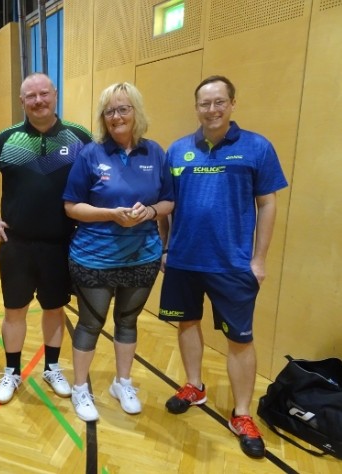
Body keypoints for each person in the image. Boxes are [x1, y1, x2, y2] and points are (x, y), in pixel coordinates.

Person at [158, 75, 288, 458]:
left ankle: (242, 414)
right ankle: (194, 386)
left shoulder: (257, 147)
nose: (212, 109)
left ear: (232, 104)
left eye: (219, 102)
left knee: (240, 340)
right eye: (205, 103)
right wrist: (165, 248)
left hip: (232, 265)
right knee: (187, 323)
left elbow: (268, 203)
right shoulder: (178, 150)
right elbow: (165, 206)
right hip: (183, 260)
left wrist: (258, 259)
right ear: (196, 107)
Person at [0, 73, 92, 404]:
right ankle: (12, 371)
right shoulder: (6, 139)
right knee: (14, 310)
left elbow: (98, 179)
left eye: (44, 94)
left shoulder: (80, 138)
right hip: (17, 244)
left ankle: (52, 368)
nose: (39, 101)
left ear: (55, 94)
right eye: (31, 96)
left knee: (54, 309)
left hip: (61, 243)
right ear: (22, 101)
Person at [63, 82, 174, 422]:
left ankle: (122, 383)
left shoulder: (155, 153)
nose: (116, 116)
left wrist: (150, 212)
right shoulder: (91, 154)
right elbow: (71, 206)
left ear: (135, 112)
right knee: (90, 324)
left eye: (123, 108)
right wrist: (110, 214)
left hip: (142, 256)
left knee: (127, 321)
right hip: (94, 257)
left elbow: (168, 201)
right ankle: (80, 388)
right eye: (109, 111)